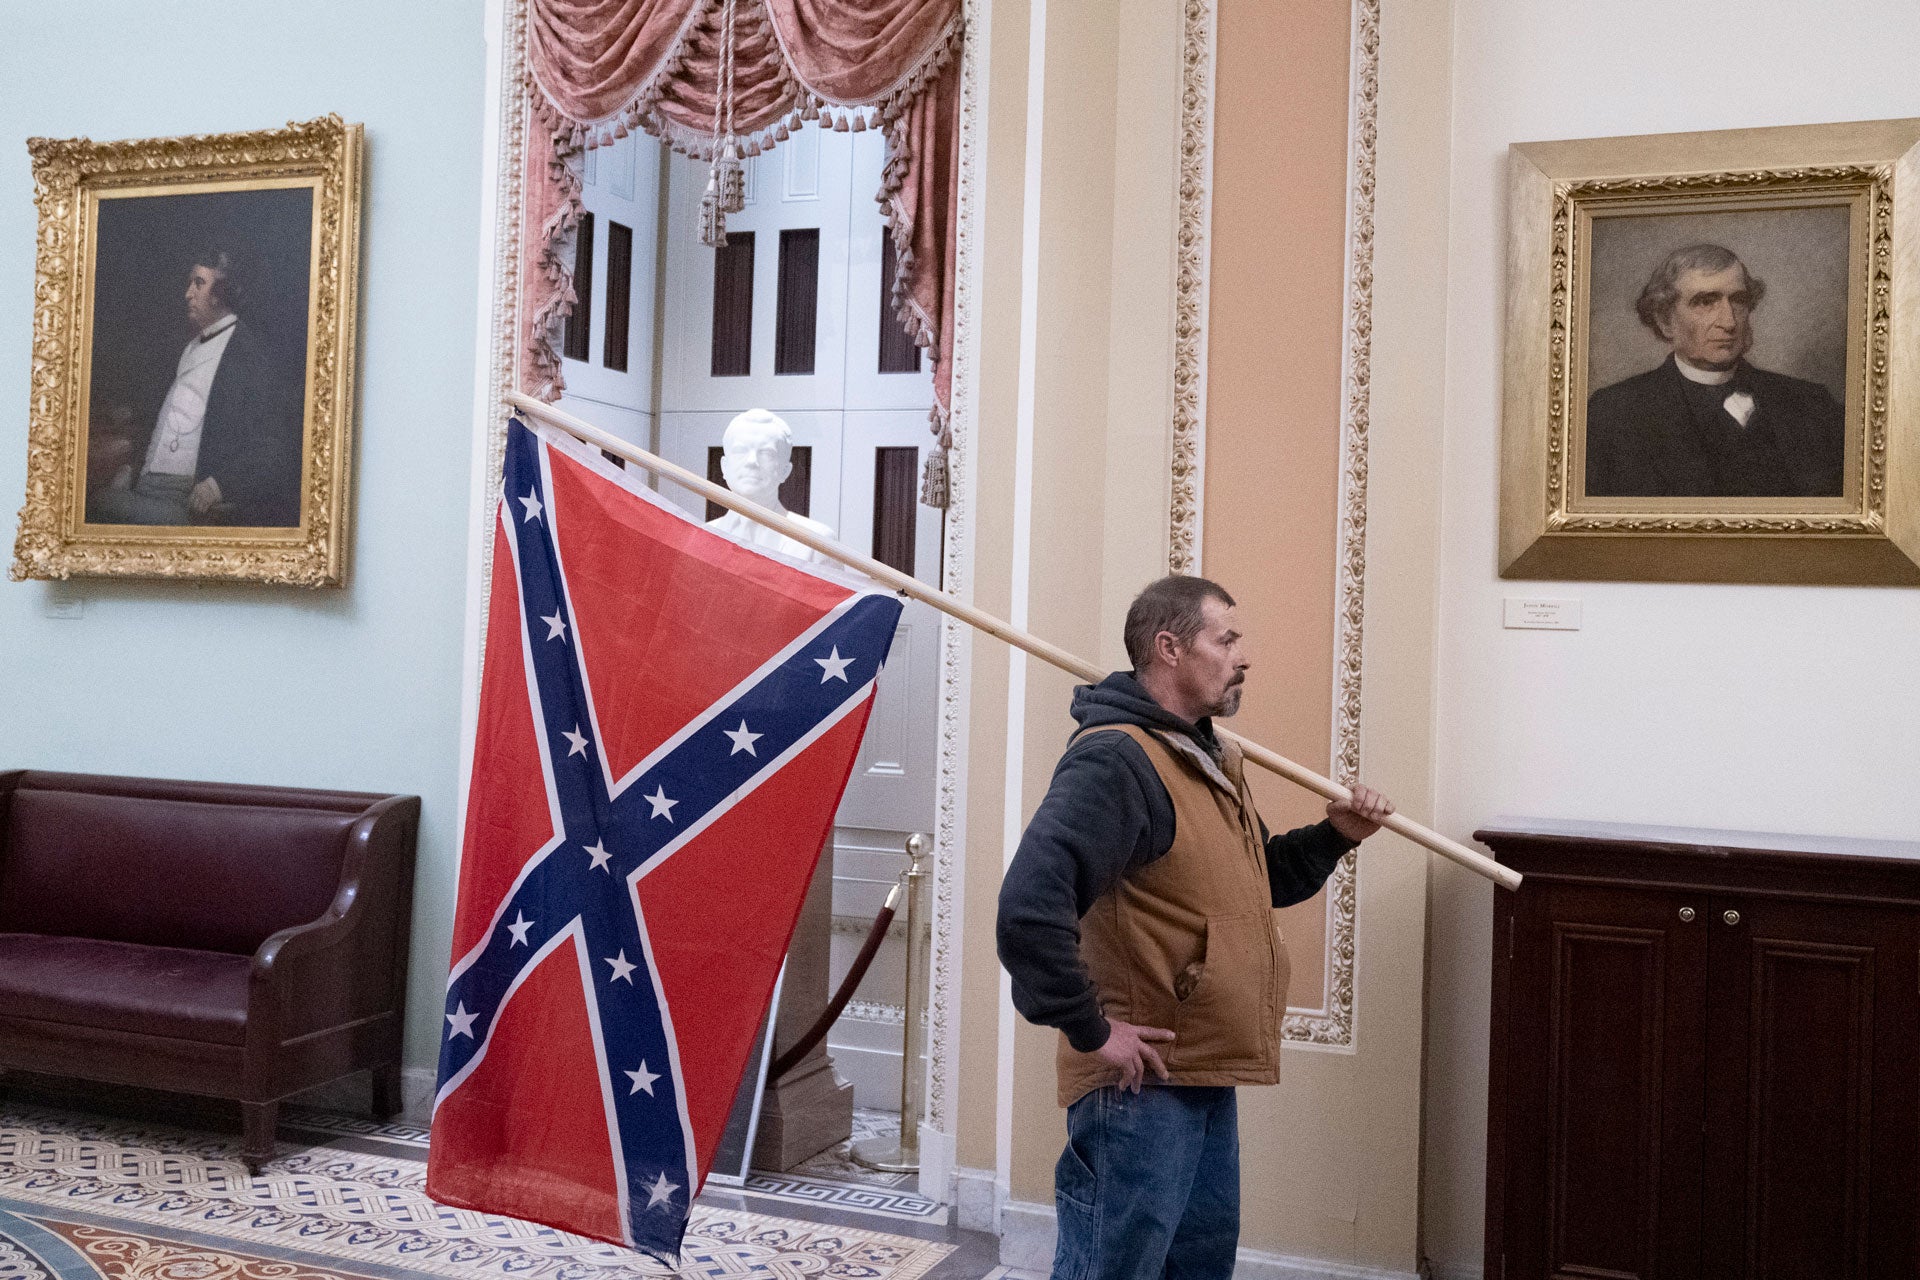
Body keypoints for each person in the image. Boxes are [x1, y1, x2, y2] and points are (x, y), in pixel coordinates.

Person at [996, 574, 1394, 1280]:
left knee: (1196, 1268)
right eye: (1227, 638)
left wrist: (1337, 836)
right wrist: (1093, 1030)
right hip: (1138, 1088)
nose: (1243, 656)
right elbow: (1029, 908)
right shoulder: (1118, 760)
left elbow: (1256, 884)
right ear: (1170, 647)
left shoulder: (1206, 756)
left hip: (1203, 1069)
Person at [1585, 243, 1845, 498]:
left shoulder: (1814, 405)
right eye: (1706, 302)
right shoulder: (1612, 413)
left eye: (1739, 301)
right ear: (1666, 321)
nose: (1729, 322)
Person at [89, 249, 303, 527]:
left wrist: (217, 486)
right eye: (190, 283)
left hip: (185, 500)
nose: (188, 294)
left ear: (221, 292)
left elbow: (273, 449)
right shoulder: (190, 346)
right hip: (146, 483)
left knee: (100, 503)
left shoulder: (249, 355)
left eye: (199, 283)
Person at [705, 408, 835, 561]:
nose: (751, 461)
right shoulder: (701, 538)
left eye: (766, 453)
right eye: (741, 450)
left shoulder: (816, 543)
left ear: (785, 471)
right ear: (724, 467)